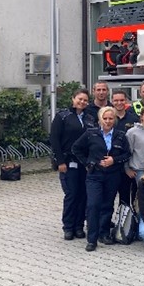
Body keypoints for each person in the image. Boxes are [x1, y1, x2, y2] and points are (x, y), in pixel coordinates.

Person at [72, 106, 131, 251]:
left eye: (111, 118)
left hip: (113, 175)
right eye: (105, 118)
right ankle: (92, 239)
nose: (108, 121)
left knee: (107, 205)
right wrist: (88, 163)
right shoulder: (91, 133)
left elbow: (127, 154)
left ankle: (104, 233)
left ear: (115, 119)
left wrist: (114, 160)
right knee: (93, 205)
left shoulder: (121, 135)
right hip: (95, 175)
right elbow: (76, 148)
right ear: (100, 119)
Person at [50, 88, 93, 241]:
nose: (82, 102)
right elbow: (54, 140)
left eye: (85, 100)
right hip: (68, 162)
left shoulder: (89, 118)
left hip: (84, 163)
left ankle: (79, 226)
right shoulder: (62, 116)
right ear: (73, 99)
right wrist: (60, 161)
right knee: (72, 194)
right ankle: (68, 227)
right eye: (79, 99)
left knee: (83, 195)